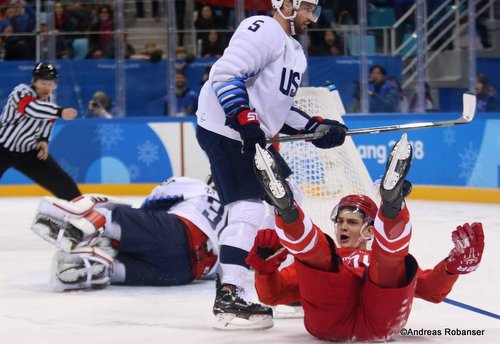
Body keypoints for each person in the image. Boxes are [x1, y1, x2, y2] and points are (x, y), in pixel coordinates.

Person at [195, 0, 347, 330]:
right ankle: (229, 294)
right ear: (287, 4)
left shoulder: (293, 50)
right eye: (308, 8)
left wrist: (315, 126)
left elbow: (279, 106)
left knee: (288, 198)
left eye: (315, 11)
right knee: (248, 208)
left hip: (248, 135)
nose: (312, 17)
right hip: (226, 131)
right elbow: (224, 75)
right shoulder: (262, 28)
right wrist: (243, 118)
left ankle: (278, 278)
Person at [246, 134, 485, 341]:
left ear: (370, 230)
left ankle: (386, 206)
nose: (343, 227)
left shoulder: (368, 256)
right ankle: (289, 210)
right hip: (355, 322)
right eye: (339, 222)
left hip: (362, 319)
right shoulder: (331, 258)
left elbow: (432, 291)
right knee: (320, 260)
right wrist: (265, 272)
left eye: (351, 222)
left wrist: (451, 268)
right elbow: (273, 295)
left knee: (387, 262)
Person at [30, 176, 227, 291]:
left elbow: (150, 204)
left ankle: (77, 227)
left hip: (176, 232)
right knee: (114, 268)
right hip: (184, 273)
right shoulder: (238, 224)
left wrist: (133, 226)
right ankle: (104, 267)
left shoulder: (197, 186)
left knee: (110, 213)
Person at [0, 62, 81, 201]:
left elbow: (47, 121)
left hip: (28, 152)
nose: (46, 88)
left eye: (50, 84)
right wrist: (60, 112)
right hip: (2, 149)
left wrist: (43, 140)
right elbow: (31, 110)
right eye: (43, 83)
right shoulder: (20, 92)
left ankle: (81, 214)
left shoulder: (49, 100)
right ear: (34, 81)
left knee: (64, 185)